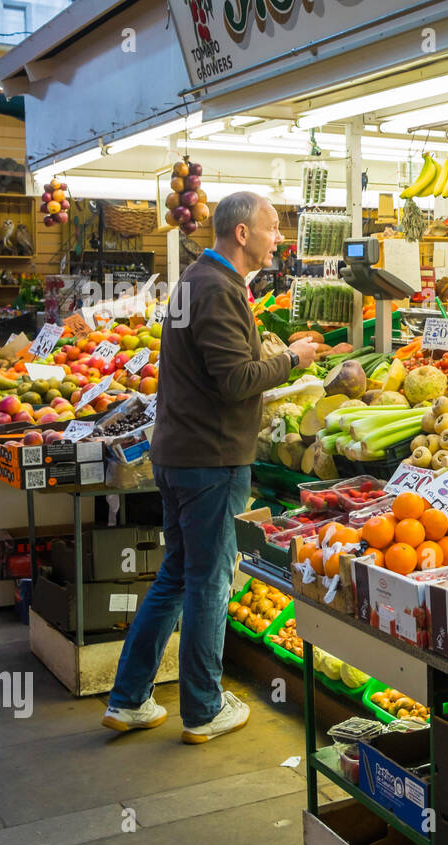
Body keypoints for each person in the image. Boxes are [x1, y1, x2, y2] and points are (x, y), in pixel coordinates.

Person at [102, 193, 317, 743]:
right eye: (272, 228)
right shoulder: (218, 290)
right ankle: (201, 708)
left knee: (176, 574)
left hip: (177, 454)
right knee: (209, 582)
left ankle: (128, 699)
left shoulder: (192, 282)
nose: (278, 239)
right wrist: (292, 359)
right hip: (210, 460)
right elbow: (234, 380)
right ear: (242, 233)